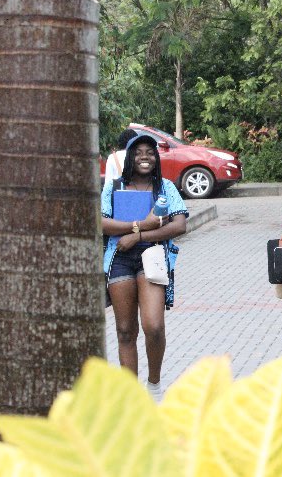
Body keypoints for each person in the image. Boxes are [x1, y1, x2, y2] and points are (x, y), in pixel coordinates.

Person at [101, 134, 188, 398]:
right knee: (125, 330)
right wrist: (140, 225)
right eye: (138, 152)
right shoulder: (114, 186)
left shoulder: (165, 187)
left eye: (150, 152)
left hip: (153, 257)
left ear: (156, 157)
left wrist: (138, 236)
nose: (144, 157)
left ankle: (154, 385)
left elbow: (180, 225)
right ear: (129, 157)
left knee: (154, 327)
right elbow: (101, 223)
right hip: (120, 258)